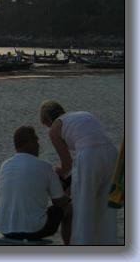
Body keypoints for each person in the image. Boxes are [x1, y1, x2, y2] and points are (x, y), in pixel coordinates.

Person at [39, 100, 118, 244]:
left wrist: (59, 171)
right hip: (112, 154)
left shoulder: (55, 127)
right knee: (106, 206)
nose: (49, 128)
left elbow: (67, 164)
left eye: (46, 125)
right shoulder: (82, 114)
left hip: (90, 156)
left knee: (83, 205)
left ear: (48, 120)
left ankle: (81, 247)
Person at [0, 126, 71, 244]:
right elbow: (59, 201)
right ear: (29, 143)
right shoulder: (44, 166)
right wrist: (69, 197)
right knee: (68, 209)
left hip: (4, 227)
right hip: (34, 229)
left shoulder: (5, 166)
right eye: (36, 140)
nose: (38, 145)